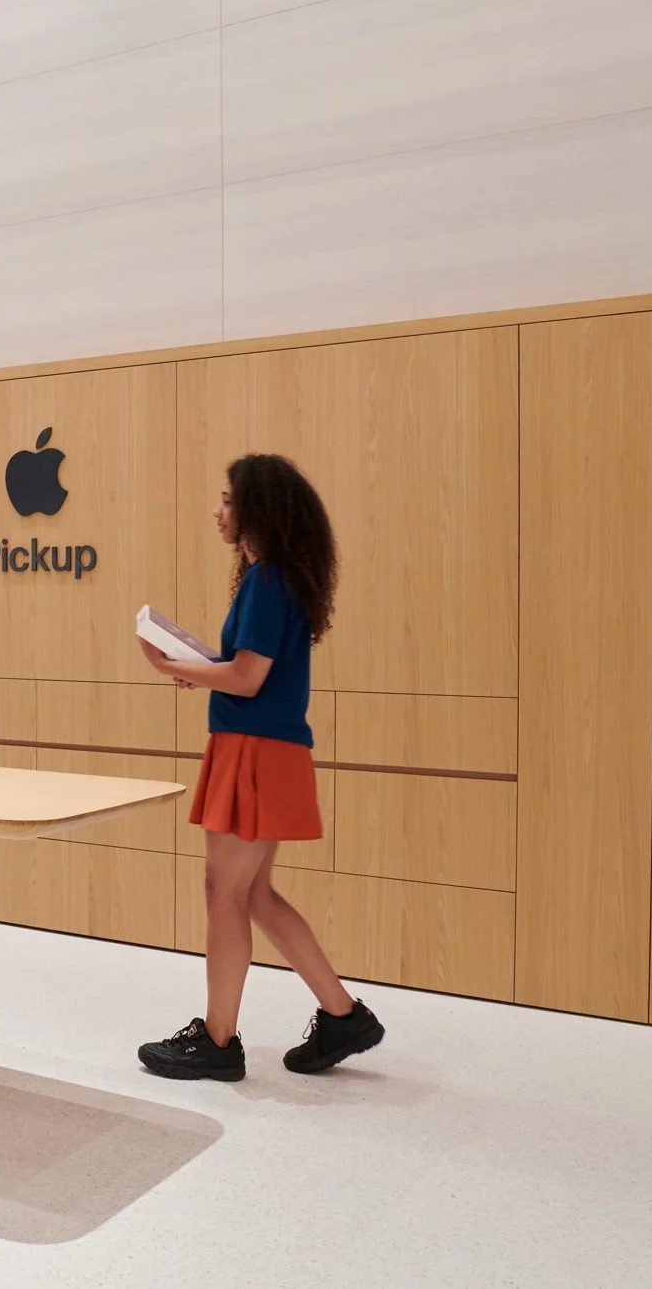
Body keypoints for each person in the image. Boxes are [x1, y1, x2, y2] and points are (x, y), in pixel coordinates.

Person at [134, 454, 384, 1080]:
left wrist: (169, 666)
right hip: (267, 748)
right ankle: (342, 1014)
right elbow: (247, 673)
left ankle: (218, 1042)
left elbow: (247, 677)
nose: (217, 512)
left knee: (225, 893)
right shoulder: (276, 579)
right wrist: (201, 671)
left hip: (254, 750)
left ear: (257, 509)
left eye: (227, 500)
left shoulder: (267, 581)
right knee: (255, 895)